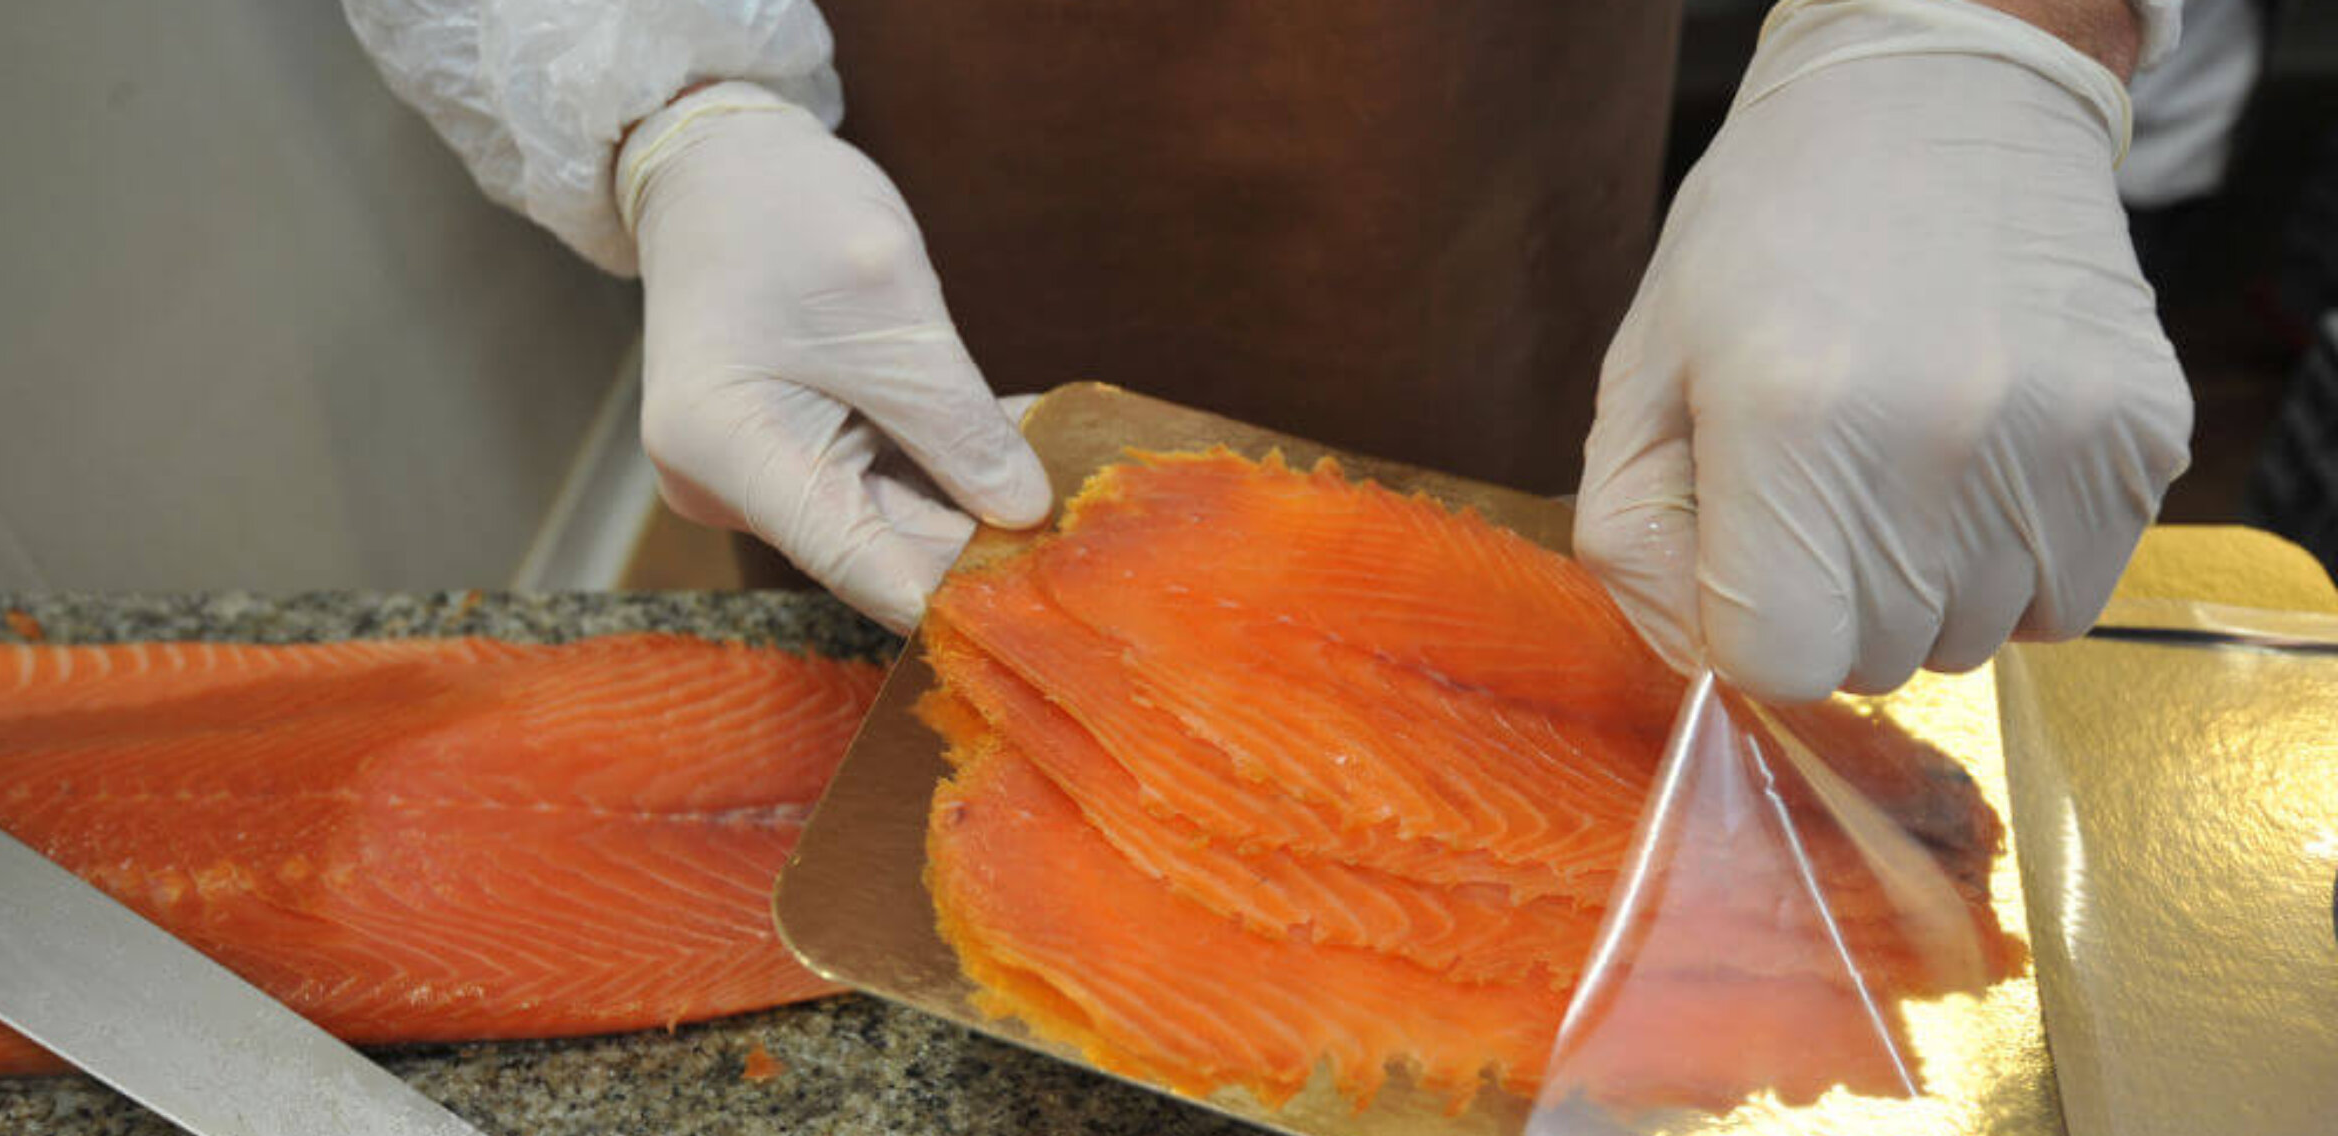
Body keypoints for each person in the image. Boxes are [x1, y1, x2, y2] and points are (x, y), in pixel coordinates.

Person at [342, 0, 2192, 704]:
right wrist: (669, 112)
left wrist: (1986, 25)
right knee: (939, 688)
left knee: (1532, 644)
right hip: (918, 152)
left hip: (1476, 134)